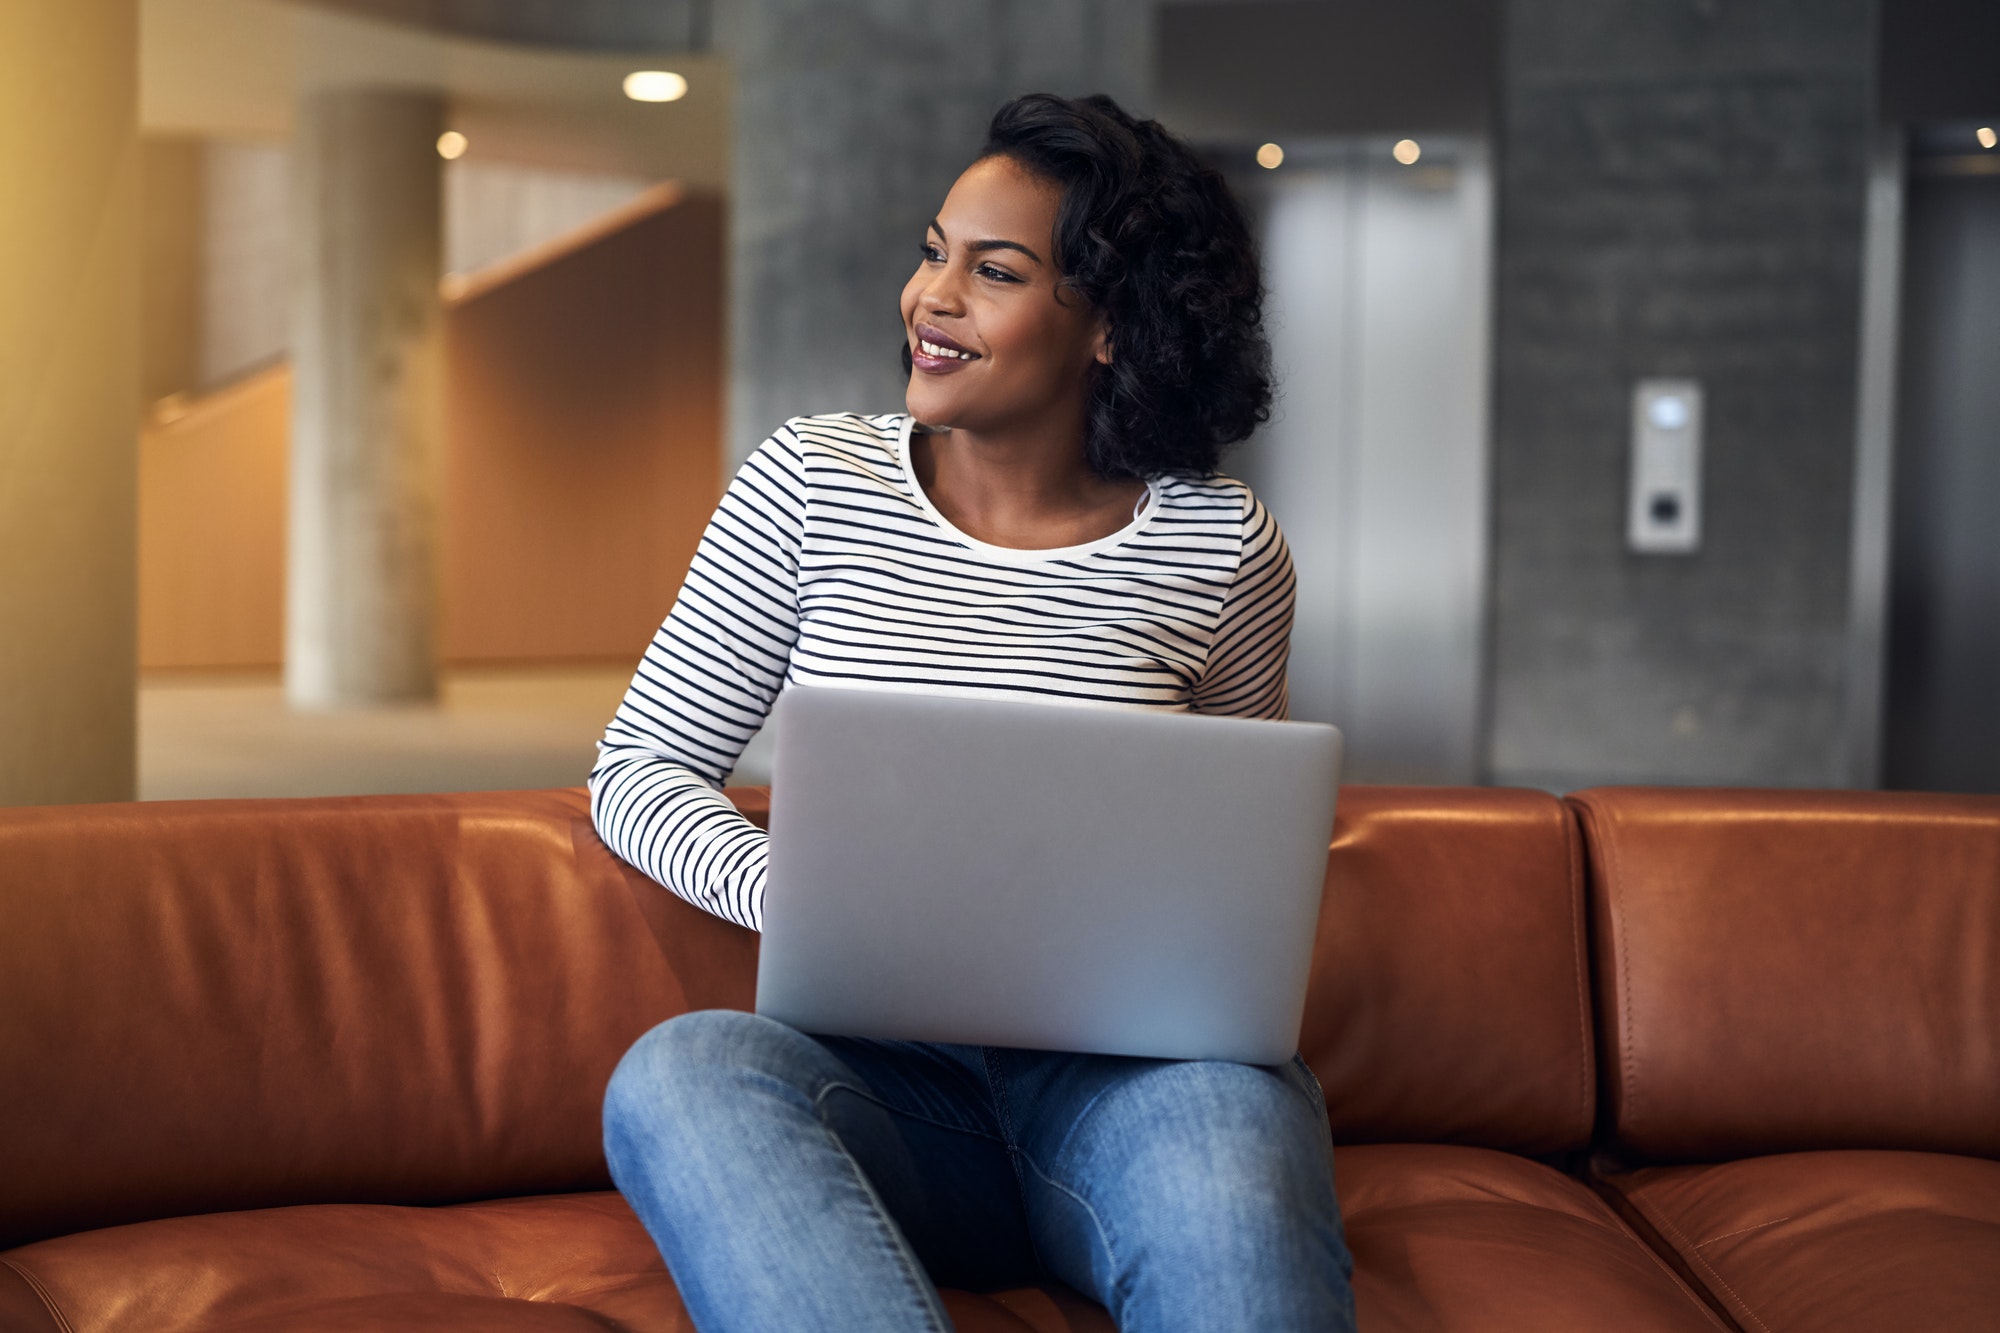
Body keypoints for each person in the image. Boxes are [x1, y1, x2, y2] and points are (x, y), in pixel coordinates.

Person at [592, 92, 1357, 1332]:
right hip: (876, 1085)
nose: (929, 297)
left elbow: (1241, 855)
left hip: (1140, 1089)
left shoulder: (1221, 545)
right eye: (931, 249)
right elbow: (639, 765)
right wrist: (795, 890)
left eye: (991, 271)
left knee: (1229, 1123)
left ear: (1109, 325)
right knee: (680, 1071)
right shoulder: (808, 482)